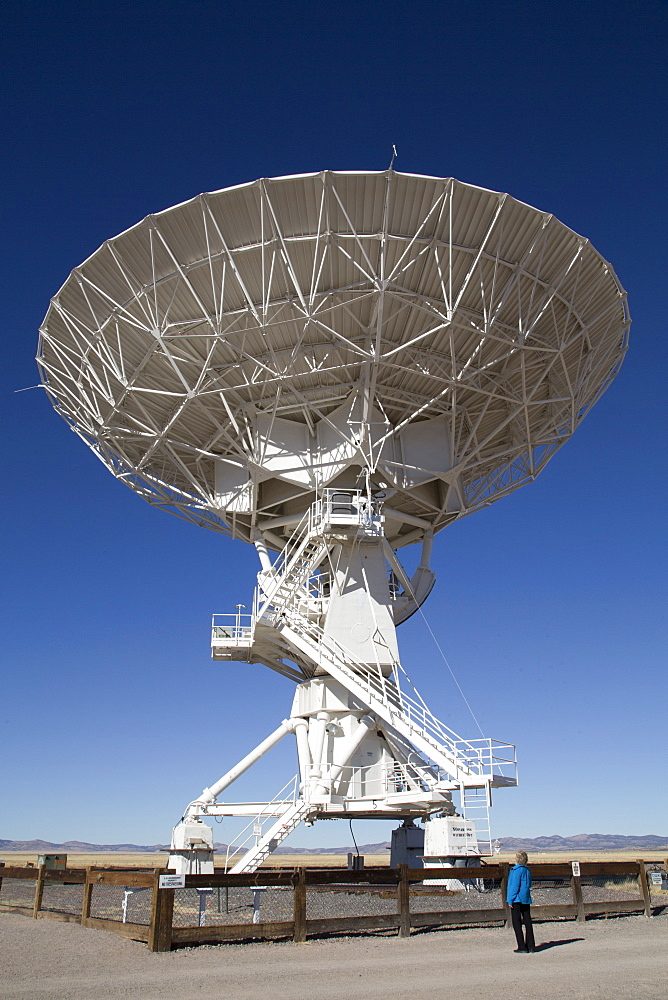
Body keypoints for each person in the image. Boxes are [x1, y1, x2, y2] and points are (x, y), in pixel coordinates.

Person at [506, 850, 536, 953]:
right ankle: (531, 946)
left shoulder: (516, 870)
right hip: (526, 898)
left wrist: (510, 900)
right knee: (528, 922)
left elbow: (514, 886)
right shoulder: (527, 870)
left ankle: (522, 946)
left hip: (517, 899)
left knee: (517, 923)